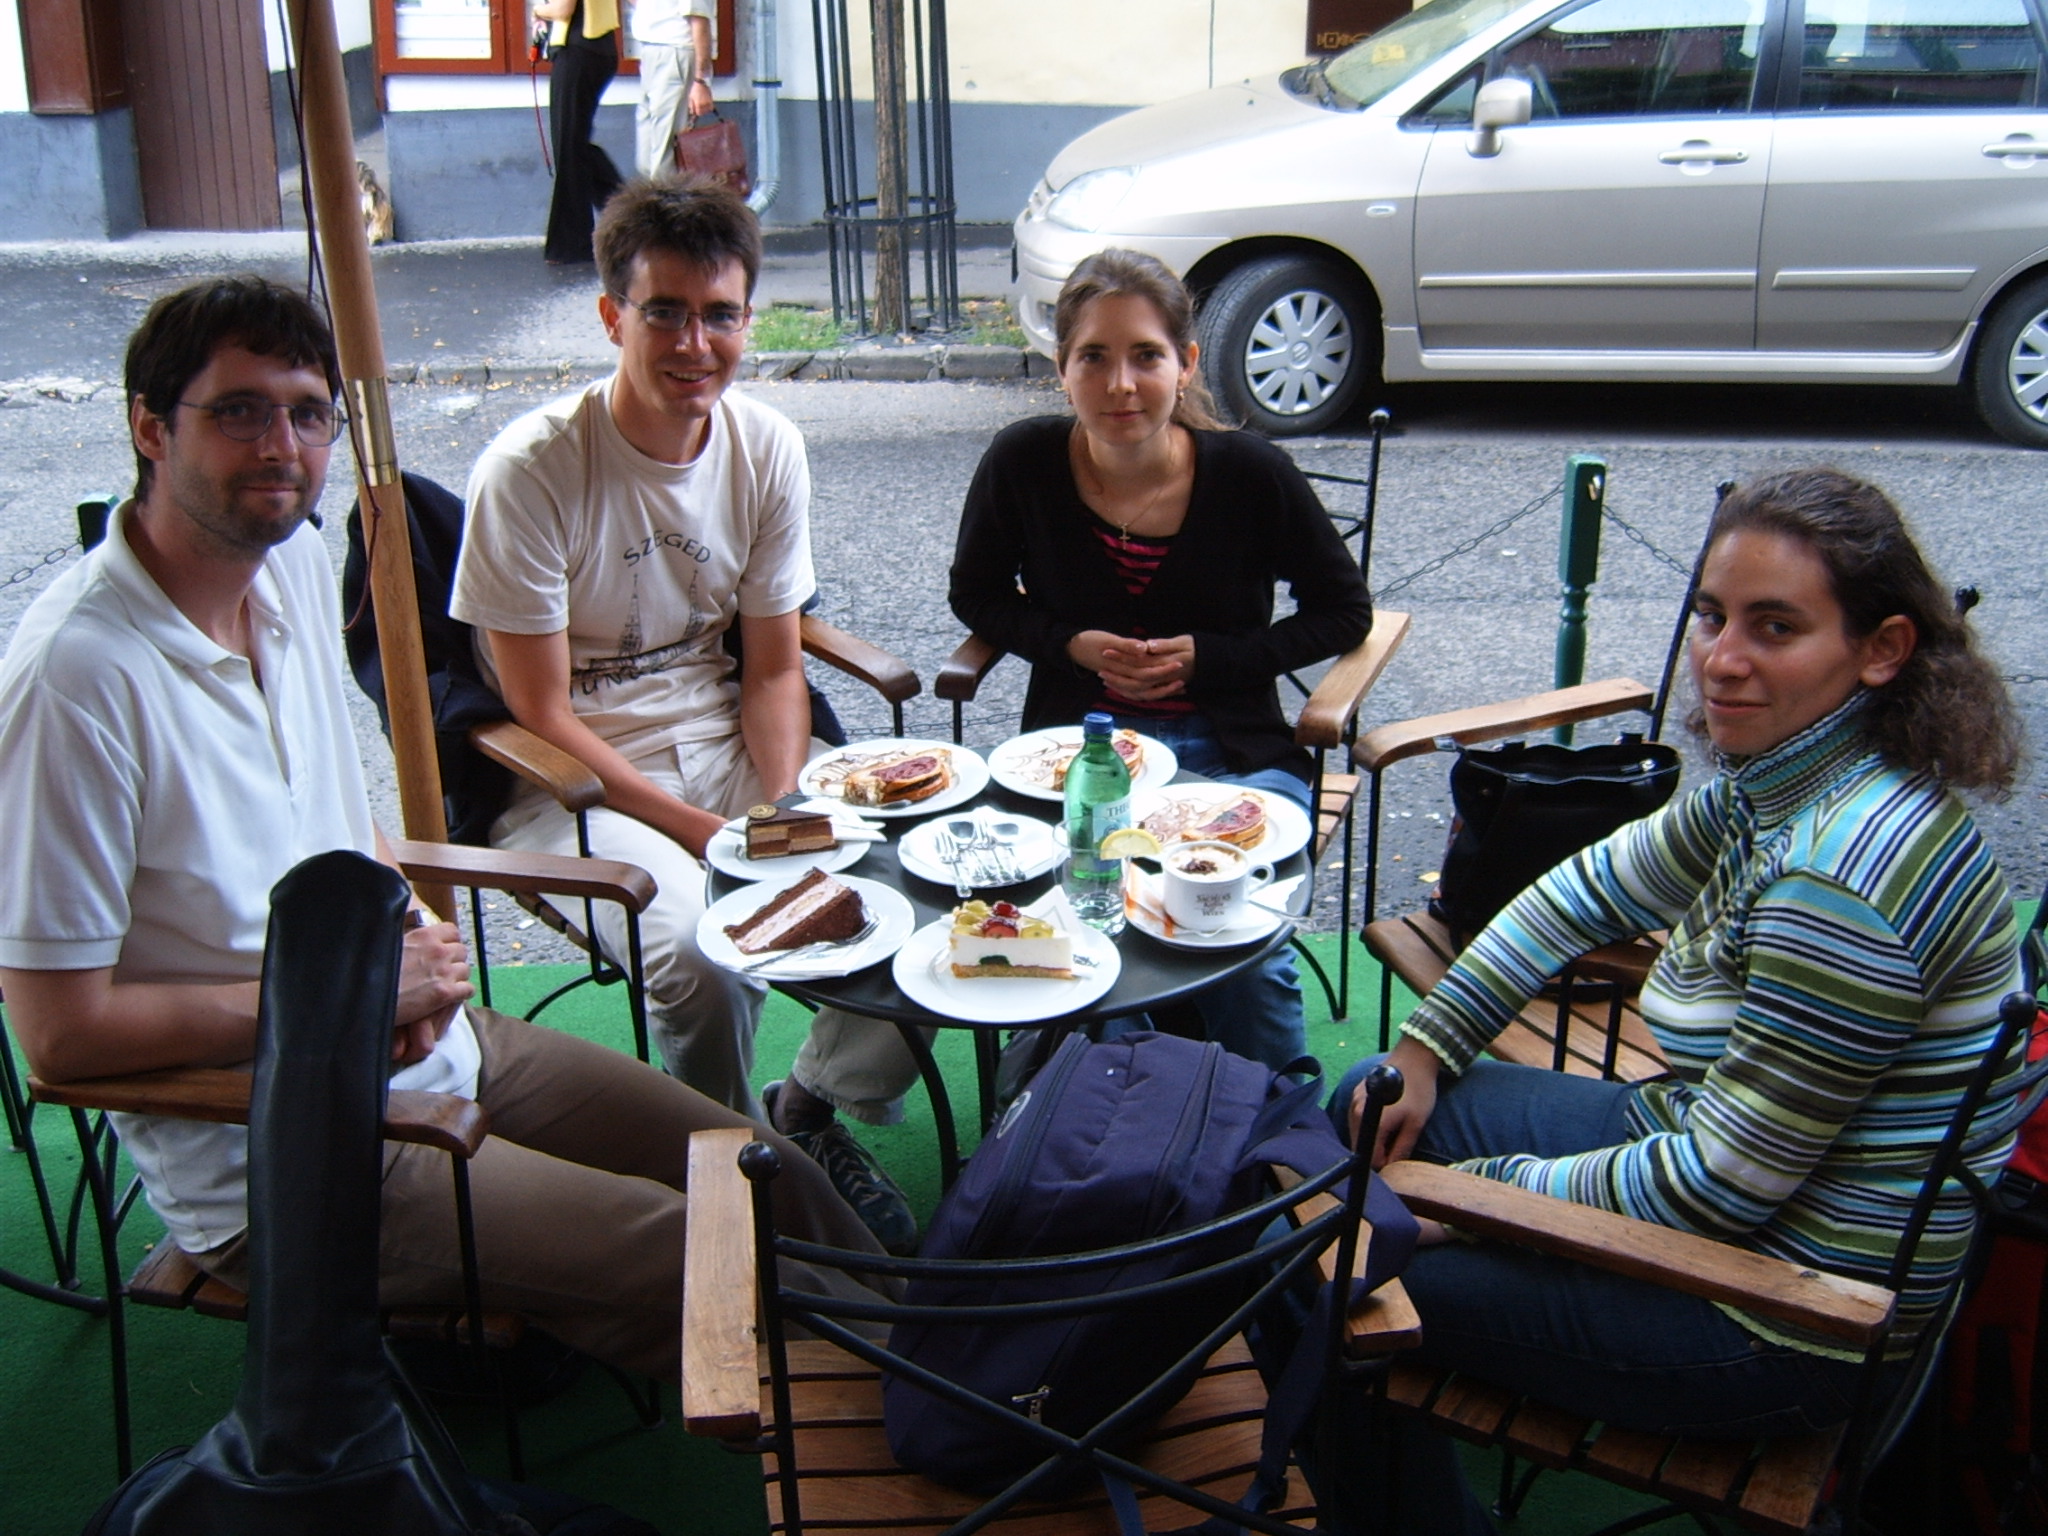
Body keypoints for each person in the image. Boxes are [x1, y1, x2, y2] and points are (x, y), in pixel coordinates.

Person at [0, 276, 889, 1384]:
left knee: (757, 1167)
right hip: (290, 1153)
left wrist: (412, 941)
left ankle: (943, 1354)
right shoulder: (76, 680)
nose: (282, 447)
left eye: (308, 412)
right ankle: (932, 1429)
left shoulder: (281, 568)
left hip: (434, 1050)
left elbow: (329, 816)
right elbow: (61, 1039)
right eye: (237, 411)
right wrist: (354, 1001)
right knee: (705, 1254)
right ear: (149, 425)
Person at [1331, 468, 2024, 1534]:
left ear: (1881, 648)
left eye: (1775, 627)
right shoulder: (1789, 781)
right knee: (1363, 1108)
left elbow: (1711, 1192)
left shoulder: (1840, 883)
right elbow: (1580, 893)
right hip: (1729, 1177)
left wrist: (1471, 1201)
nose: (1721, 658)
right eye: (1711, 615)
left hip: (1784, 1319)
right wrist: (1425, 1049)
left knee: (1334, 1282)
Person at [451, 176, 918, 1253]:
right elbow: (538, 710)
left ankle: (807, 1104)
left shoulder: (766, 447)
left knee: (903, 881)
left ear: (749, 319)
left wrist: (784, 808)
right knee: (703, 954)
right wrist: (705, 835)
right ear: (611, 316)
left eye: (719, 315)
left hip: (722, 738)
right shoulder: (531, 470)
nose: (693, 344)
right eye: (663, 311)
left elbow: (770, 669)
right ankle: (741, 1179)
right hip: (572, 778)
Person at [947, 248, 1373, 1070]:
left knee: (1238, 942)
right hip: (1076, 764)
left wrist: (1213, 660)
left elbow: (1345, 610)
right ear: (1061, 368)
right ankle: (1103, 1112)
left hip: (1233, 759)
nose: (1120, 385)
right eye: (1093, 358)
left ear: (1186, 363)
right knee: (1082, 934)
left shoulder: (1250, 474)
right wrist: (1067, 643)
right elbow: (977, 593)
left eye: (1146, 355)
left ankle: (1280, 1124)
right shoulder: (1023, 461)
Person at [537, 0, 626, 265]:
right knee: (575, 147)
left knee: (569, 148)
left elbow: (562, 9)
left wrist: (538, 11)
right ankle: (628, 217)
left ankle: (573, 244)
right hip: (596, 49)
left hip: (578, 51)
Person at [631, 0, 714, 179]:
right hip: (649, 49)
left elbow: (699, 21)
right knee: (646, 158)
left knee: (665, 153)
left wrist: (700, 80)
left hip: (674, 51)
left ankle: (666, 196)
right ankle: (658, 193)